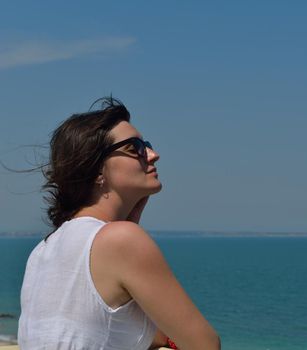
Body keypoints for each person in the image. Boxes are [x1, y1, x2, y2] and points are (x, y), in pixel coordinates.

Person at [17, 97, 220, 350]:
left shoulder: (43, 250)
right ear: (97, 170)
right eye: (135, 148)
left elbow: (102, 326)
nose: (153, 155)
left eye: (147, 145)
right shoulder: (121, 239)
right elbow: (206, 345)